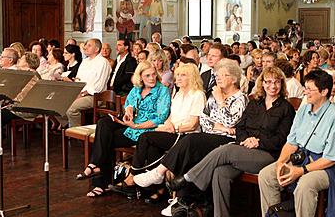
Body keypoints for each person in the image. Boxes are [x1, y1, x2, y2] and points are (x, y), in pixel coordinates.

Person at [170, 67, 296, 217]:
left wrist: (258, 142)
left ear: (281, 84)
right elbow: (240, 128)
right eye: (268, 82)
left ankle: (189, 178)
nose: (272, 86)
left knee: (227, 149)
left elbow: (283, 139)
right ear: (262, 84)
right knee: (220, 172)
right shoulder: (254, 103)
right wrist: (246, 140)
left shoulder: (286, 108)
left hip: (268, 155)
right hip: (245, 149)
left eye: (276, 82)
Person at [257, 69, 335, 217]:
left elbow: (331, 158)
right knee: (267, 175)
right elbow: (291, 142)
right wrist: (281, 163)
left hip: (325, 166)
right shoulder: (304, 110)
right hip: (302, 158)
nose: (304, 93)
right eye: (305, 88)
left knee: (306, 185)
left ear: (324, 92)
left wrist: (301, 171)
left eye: (309, 89)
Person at [132, 59, 247, 189]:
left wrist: (221, 102)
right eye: (217, 75)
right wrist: (222, 127)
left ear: (233, 79)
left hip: (225, 141)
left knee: (190, 140)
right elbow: (204, 120)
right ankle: (156, 187)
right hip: (209, 135)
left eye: (223, 75)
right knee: (152, 141)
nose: (218, 78)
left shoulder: (240, 98)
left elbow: (230, 121)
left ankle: (157, 174)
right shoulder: (212, 96)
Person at [110, 62, 205, 201]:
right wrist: (167, 125)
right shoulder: (178, 94)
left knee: (146, 137)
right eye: (177, 75)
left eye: (182, 75)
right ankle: (157, 188)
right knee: (152, 145)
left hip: (185, 135)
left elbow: (193, 124)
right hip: (172, 130)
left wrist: (173, 128)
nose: (177, 78)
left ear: (192, 77)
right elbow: (170, 116)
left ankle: (132, 177)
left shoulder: (198, 95)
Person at [78, 61, 171, 197]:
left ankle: (99, 180)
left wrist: (137, 125)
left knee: (106, 139)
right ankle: (95, 166)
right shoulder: (137, 88)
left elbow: (160, 117)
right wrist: (128, 110)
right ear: (140, 77)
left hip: (145, 130)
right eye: (147, 76)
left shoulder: (162, 90)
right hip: (131, 125)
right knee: (104, 123)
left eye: (153, 75)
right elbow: (129, 103)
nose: (151, 78)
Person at [62, 38, 112, 128]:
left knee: (71, 108)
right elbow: (79, 80)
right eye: (85, 45)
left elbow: (98, 86)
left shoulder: (103, 62)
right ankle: (68, 125)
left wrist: (83, 94)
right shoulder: (85, 62)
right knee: (57, 103)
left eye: (89, 45)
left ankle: (76, 132)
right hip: (81, 93)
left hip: (96, 96)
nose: (85, 47)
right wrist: (76, 91)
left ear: (96, 49)